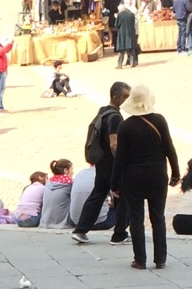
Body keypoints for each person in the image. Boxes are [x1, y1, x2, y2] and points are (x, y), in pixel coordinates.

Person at [111, 83, 180, 270]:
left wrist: (115, 183)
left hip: (133, 177)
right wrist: (175, 172)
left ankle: (140, 259)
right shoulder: (159, 121)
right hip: (157, 174)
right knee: (158, 217)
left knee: (136, 218)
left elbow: (120, 158)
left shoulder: (125, 126)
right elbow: (169, 148)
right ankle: (160, 258)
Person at [72, 81, 131, 244]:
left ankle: (80, 229)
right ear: (115, 97)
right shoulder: (115, 117)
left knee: (97, 194)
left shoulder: (103, 113)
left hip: (101, 162)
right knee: (121, 196)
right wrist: (121, 162)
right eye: (125, 96)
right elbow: (114, 144)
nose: (127, 100)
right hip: (112, 163)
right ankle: (119, 234)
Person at [68, 163, 116, 231]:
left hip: (76, 222)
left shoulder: (79, 174)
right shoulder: (105, 174)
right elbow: (115, 198)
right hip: (99, 222)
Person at [40, 158, 75, 229]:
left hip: (45, 221)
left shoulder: (49, 182)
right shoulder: (69, 183)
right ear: (66, 170)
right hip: (62, 222)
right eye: (71, 169)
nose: (73, 172)